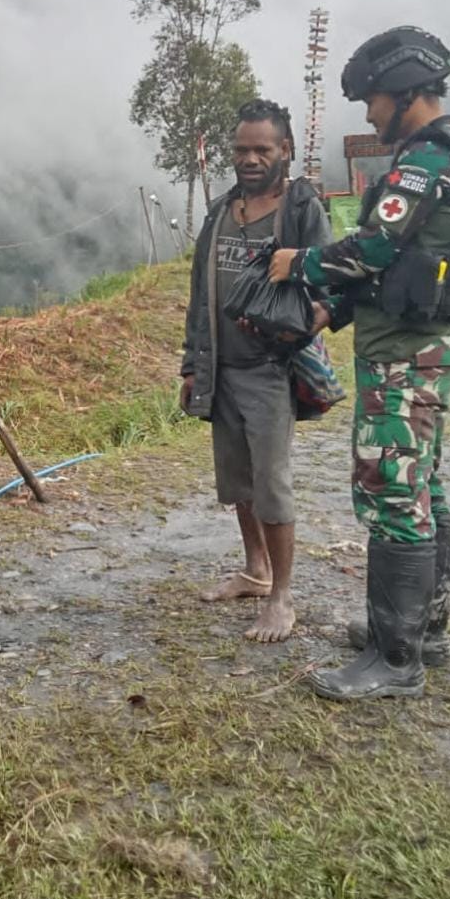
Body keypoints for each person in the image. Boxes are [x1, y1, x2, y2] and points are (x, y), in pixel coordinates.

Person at [270, 26, 450, 698]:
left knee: (393, 492)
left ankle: (394, 659)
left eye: (373, 100)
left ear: (404, 93)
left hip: (404, 355)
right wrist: (332, 311)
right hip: (422, 344)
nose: (369, 113)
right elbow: (397, 265)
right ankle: (420, 632)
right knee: (421, 485)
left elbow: (373, 249)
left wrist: (301, 264)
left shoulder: (424, 162)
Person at [181, 99, 331, 643]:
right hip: (220, 368)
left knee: (271, 484)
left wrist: (305, 325)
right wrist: (191, 365)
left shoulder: (300, 209)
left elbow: (333, 280)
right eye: (241, 149)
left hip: (271, 369)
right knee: (238, 480)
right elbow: (201, 294)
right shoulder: (220, 212)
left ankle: (282, 597)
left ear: (284, 151)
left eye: (261, 149)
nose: (249, 158)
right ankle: (255, 570)